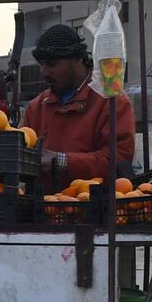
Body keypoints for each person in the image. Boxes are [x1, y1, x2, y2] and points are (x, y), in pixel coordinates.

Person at [20, 23, 135, 189]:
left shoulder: (111, 101)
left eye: (52, 63)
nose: (44, 72)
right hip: (43, 209)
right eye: (42, 64)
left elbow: (119, 159)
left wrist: (63, 162)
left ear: (78, 58)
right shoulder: (36, 107)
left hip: (93, 208)